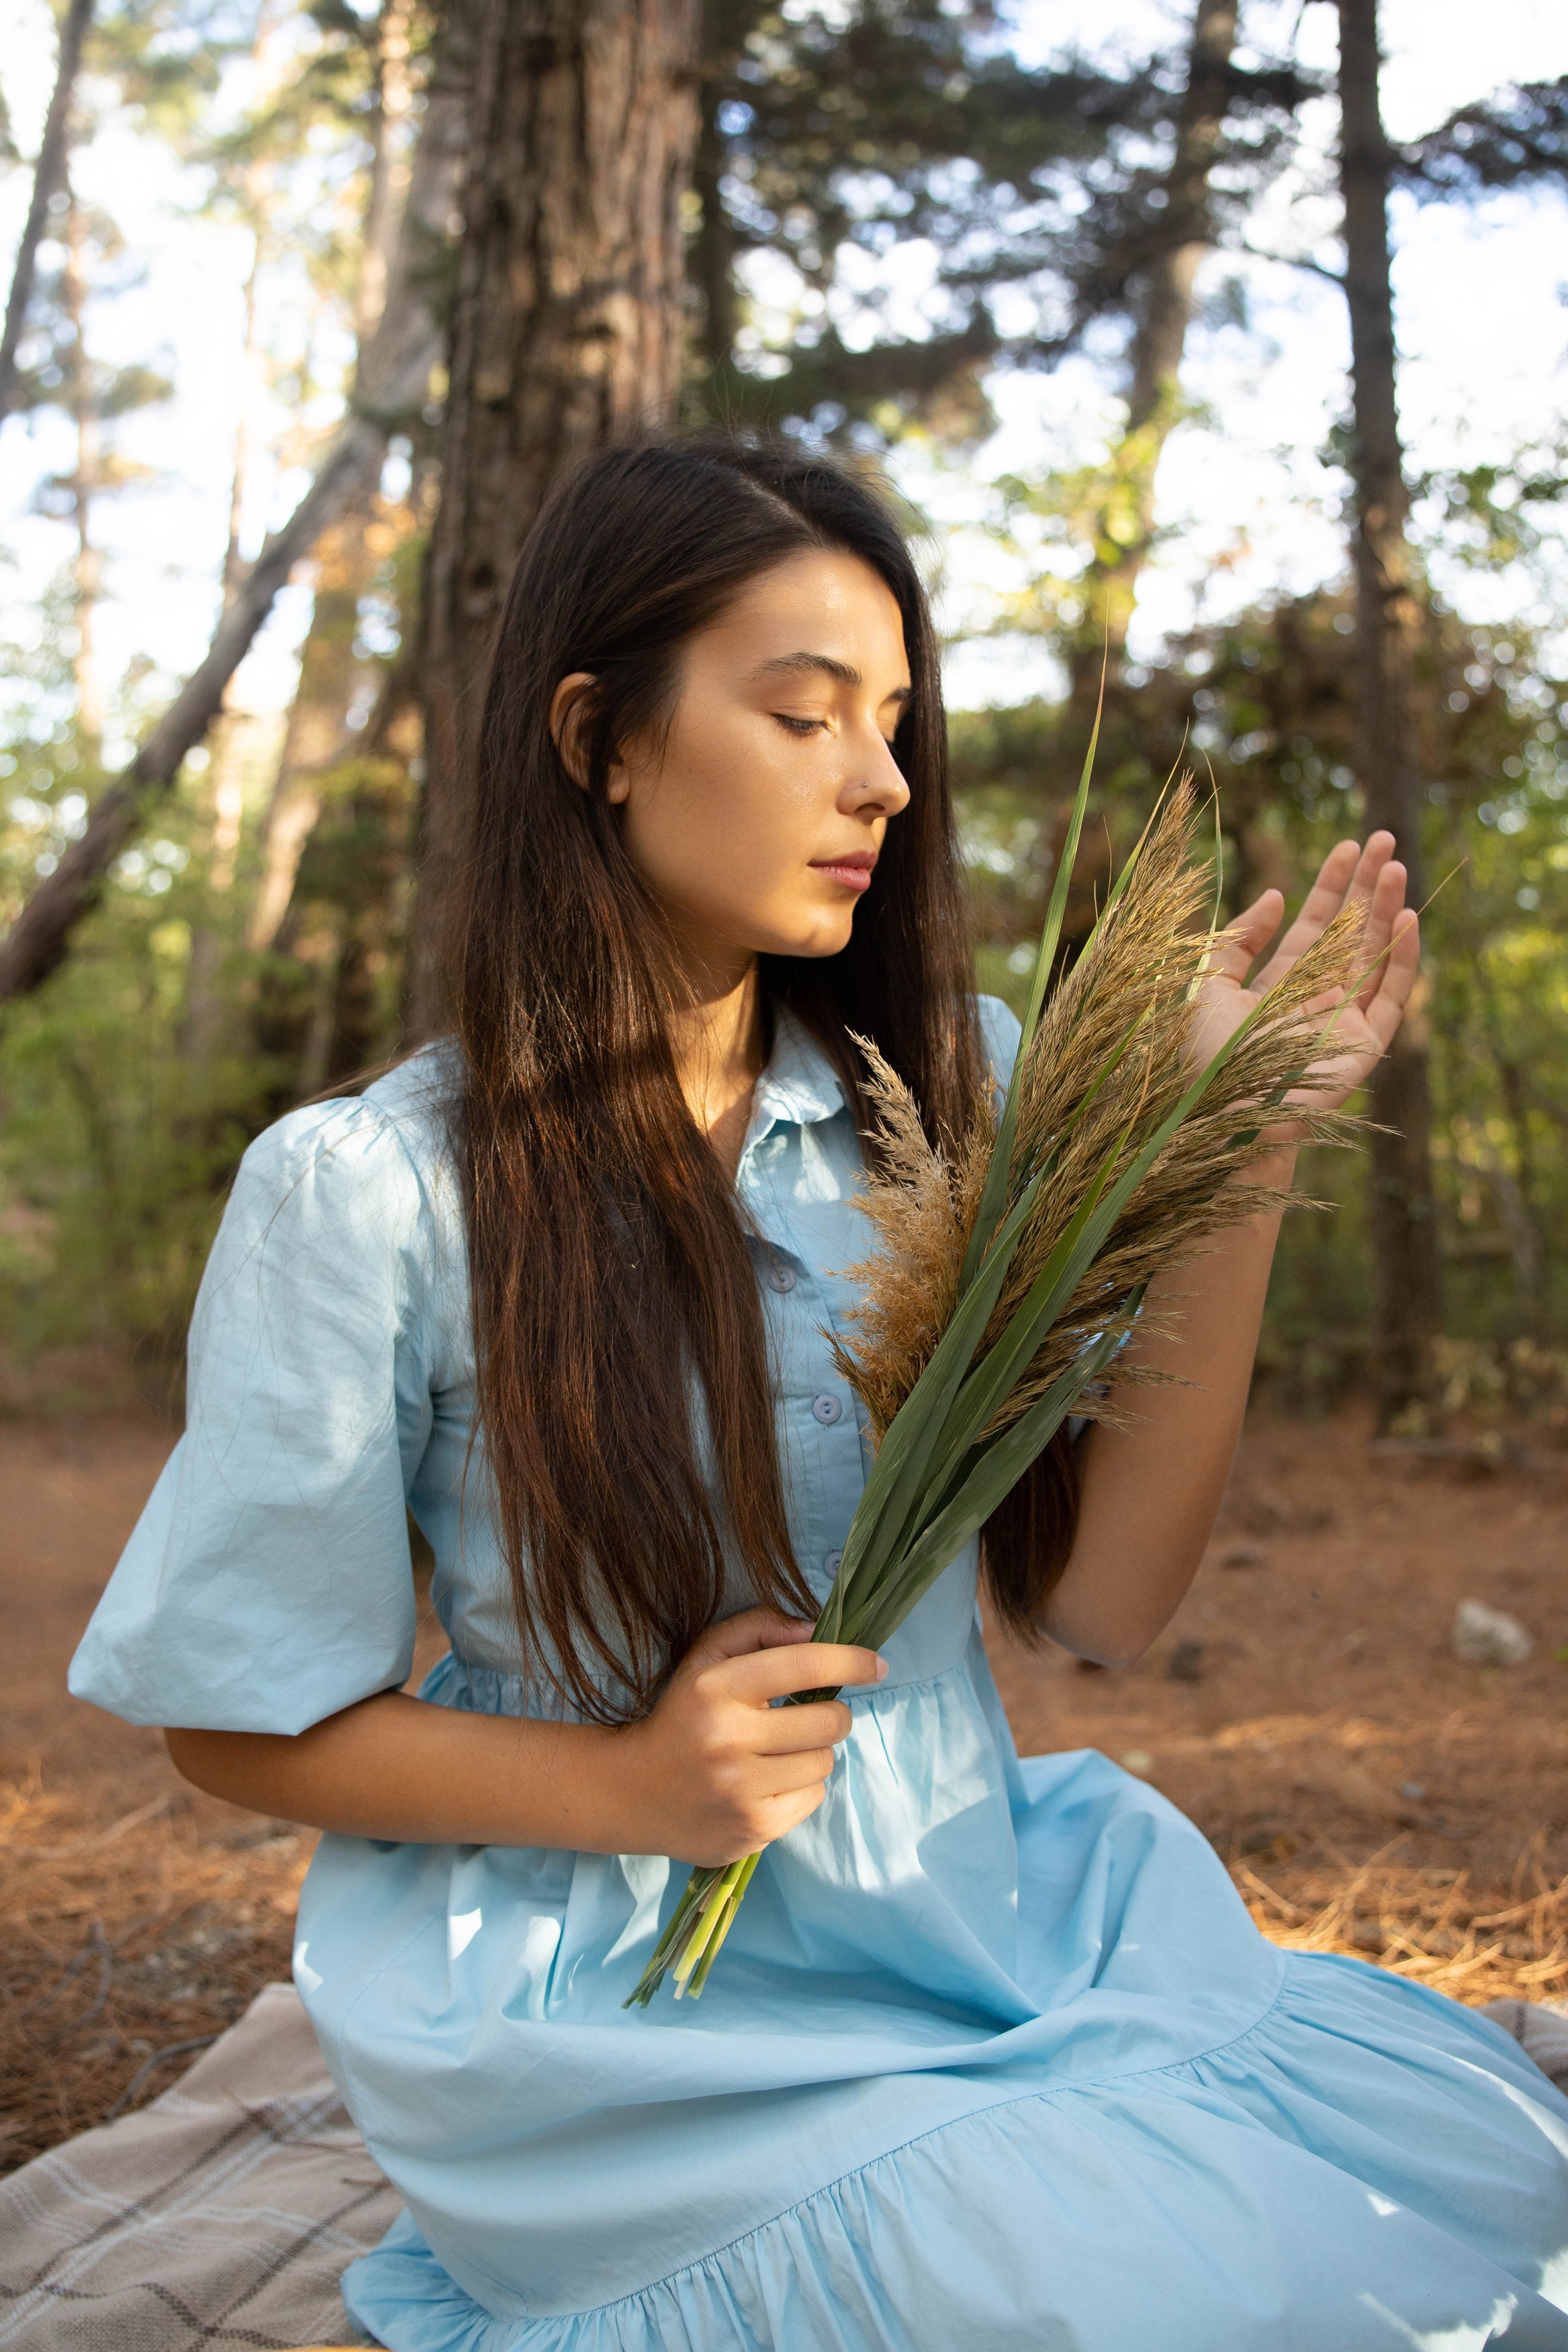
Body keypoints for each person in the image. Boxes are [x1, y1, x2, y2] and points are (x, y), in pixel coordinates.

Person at [71, 437, 1568, 2352]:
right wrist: (627, 1784)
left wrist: (1233, 1150)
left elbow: (1109, 1603)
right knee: (1143, 2303)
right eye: (802, 715)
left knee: (1467, 2212)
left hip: (968, 1910)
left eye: (895, 724)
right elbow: (237, 1728)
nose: (879, 780)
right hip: (609, 1996)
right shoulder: (374, 1189)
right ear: (601, 737)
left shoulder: (969, 1102)